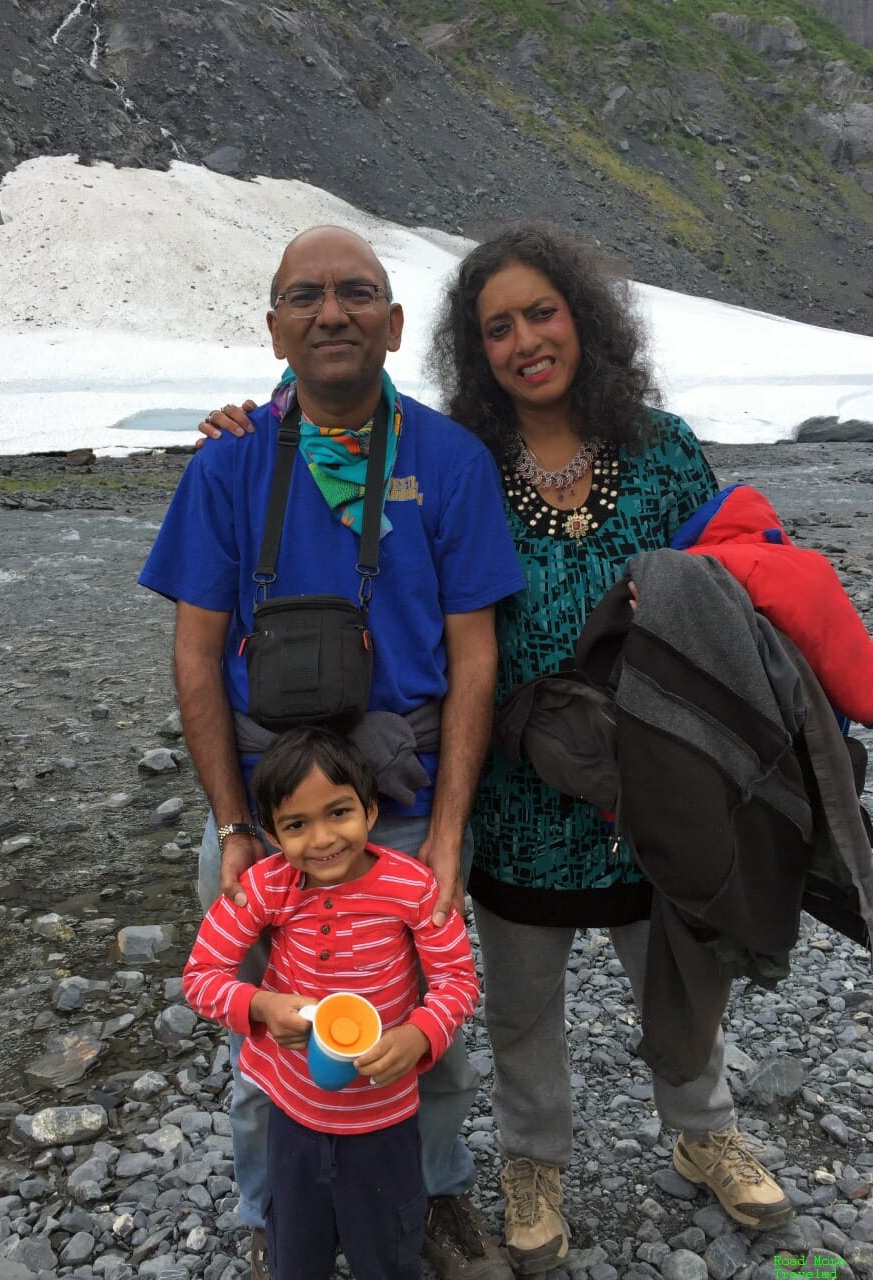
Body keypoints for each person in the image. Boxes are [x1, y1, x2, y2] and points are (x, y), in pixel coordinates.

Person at [203, 224, 794, 1277]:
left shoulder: (648, 449)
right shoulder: (467, 456)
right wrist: (258, 417)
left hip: (652, 778)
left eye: (543, 312)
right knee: (512, 1005)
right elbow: (219, 626)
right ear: (472, 350)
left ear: (586, 317)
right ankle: (523, 1164)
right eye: (497, 327)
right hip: (516, 796)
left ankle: (703, 1127)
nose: (525, 340)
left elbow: (732, 577)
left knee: (683, 969)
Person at [140, 224, 524, 1280]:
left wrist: (448, 831)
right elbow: (197, 650)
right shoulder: (228, 463)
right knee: (264, 1039)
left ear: (395, 326)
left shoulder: (448, 460)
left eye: (357, 293)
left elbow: (474, 654)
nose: (331, 311)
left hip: (398, 807)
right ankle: (279, 1210)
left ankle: (436, 1193)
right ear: (274, 326)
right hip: (268, 814)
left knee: (424, 1029)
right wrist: (231, 826)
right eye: (304, 296)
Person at [184, 727, 481, 1280]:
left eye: (339, 813)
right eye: (296, 825)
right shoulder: (266, 886)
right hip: (293, 1114)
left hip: (386, 1114)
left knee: (388, 1245)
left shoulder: (414, 887)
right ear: (271, 833)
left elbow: (458, 980)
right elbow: (201, 976)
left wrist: (419, 1034)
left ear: (371, 812)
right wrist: (260, 1006)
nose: (322, 840)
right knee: (296, 1247)